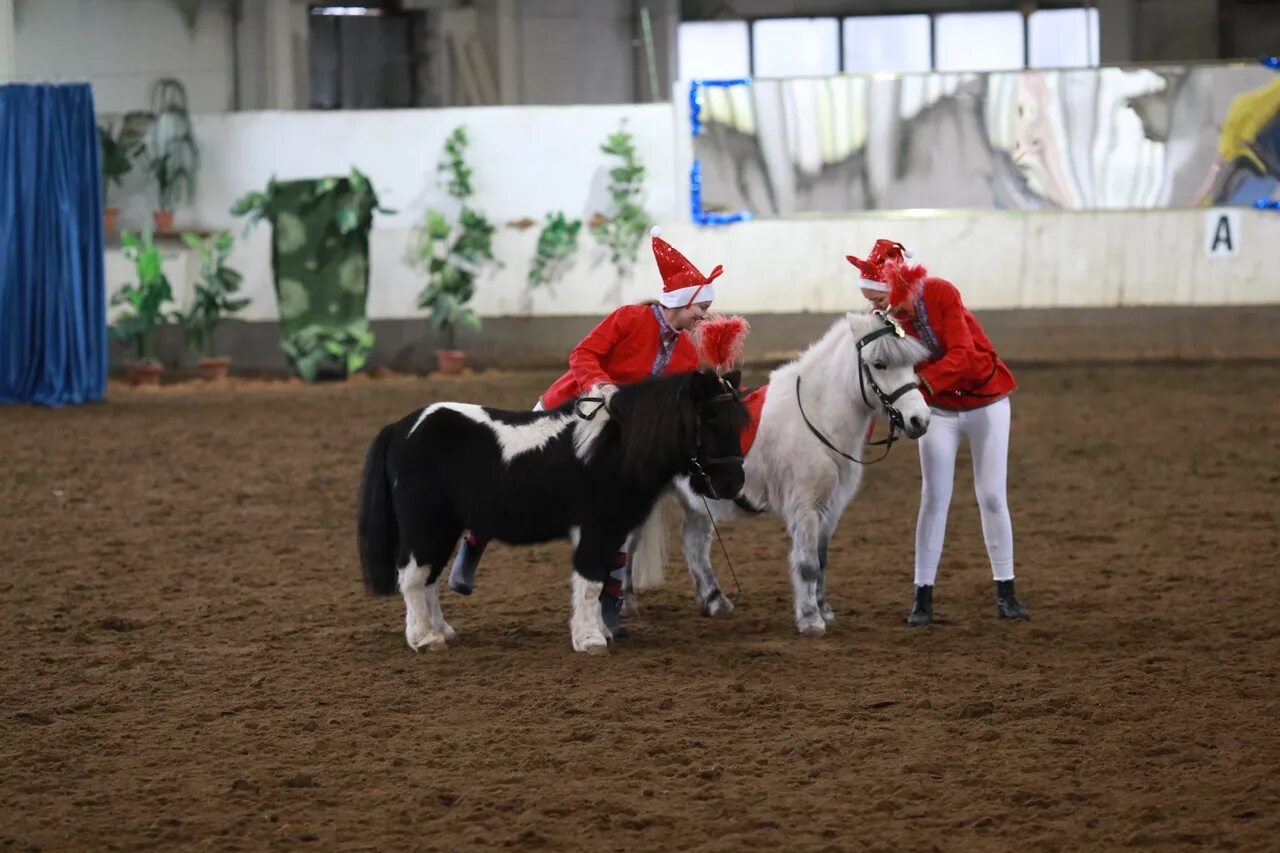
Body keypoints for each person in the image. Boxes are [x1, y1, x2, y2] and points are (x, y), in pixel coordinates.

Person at [447, 227, 724, 637]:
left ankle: (609, 604)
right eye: (701, 307)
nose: (705, 315)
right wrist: (599, 385)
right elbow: (582, 353)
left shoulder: (686, 352)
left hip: (614, 440)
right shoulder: (629, 319)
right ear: (680, 303)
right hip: (566, 414)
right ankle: (472, 544)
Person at [847, 239, 1029, 626]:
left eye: (876, 299)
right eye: (870, 300)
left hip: (987, 402)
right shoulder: (887, 320)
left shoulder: (941, 292)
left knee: (993, 496)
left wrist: (919, 383)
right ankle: (922, 599)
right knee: (933, 498)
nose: (873, 308)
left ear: (895, 287)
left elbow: (963, 354)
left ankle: (1007, 592)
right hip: (940, 409)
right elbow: (878, 375)